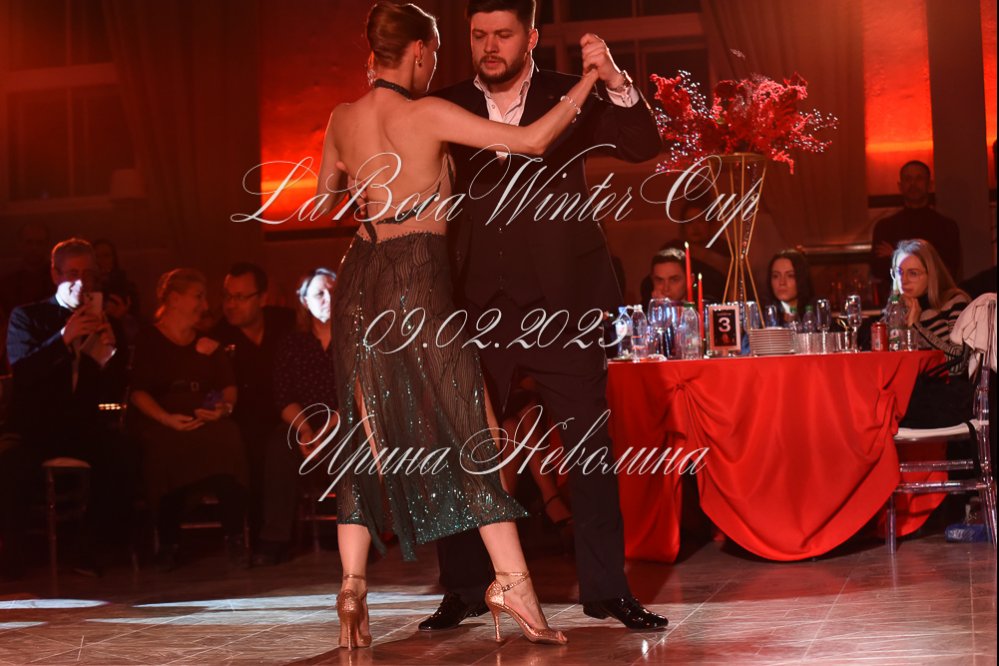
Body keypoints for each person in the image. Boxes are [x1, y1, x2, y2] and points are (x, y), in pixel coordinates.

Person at [315, 1, 600, 648]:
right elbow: (533, 140)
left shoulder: (342, 116)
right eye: (435, 54)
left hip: (359, 273)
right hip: (415, 274)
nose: (433, 66)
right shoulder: (426, 113)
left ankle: (352, 585)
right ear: (418, 51)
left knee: (364, 430)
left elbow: (325, 197)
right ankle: (514, 585)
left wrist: (365, 181)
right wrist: (586, 80)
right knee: (475, 429)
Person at [428, 0, 667, 633]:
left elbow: (644, 145)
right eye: (479, 35)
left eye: (503, 34)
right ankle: (461, 588)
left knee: (588, 449)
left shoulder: (573, 95)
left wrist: (613, 78)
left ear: (531, 36)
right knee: (464, 448)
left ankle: (606, 589)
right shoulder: (447, 104)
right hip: (475, 307)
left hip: (565, 304)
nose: (490, 46)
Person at [5, 238, 131, 575]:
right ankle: (15, 557)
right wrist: (63, 338)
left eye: (88, 275)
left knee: (121, 454)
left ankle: (88, 547)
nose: (81, 283)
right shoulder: (28, 317)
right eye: (72, 274)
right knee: (14, 466)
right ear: (55, 275)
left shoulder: (107, 321)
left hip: (82, 426)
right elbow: (23, 372)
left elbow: (116, 387)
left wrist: (110, 354)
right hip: (36, 427)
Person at [128, 268, 250, 570]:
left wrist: (223, 409)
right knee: (166, 447)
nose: (204, 305)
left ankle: (235, 535)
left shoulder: (208, 343)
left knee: (227, 437)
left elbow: (228, 386)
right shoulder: (148, 340)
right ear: (174, 298)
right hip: (164, 420)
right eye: (198, 296)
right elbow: (138, 392)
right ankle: (168, 541)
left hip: (204, 418)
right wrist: (166, 418)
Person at [255, 268, 338, 566]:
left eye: (332, 291)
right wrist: (304, 430)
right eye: (319, 294)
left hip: (343, 419)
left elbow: (359, 393)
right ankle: (275, 538)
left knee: (354, 443)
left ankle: (357, 533)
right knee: (280, 445)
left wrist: (325, 431)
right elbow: (284, 396)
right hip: (303, 419)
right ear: (304, 301)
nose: (328, 299)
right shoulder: (292, 343)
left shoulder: (353, 338)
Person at [209, 262, 295, 544]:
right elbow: (212, 391)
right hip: (244, 419)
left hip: (289, 412)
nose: (230, 304)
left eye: (240, 297)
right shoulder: (217, 338)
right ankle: (261, 535)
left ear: (262, 298)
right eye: (227, 296)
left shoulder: (286, 324)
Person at [890, 239, 972, 428]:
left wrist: (916, 327)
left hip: (948, 399)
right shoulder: (895, 310)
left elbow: (958, 364)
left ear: (931, 275)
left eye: (913, 273)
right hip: (908, 396)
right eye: (899, 272)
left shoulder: (954, 301)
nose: (904, 280)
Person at [871, 160, 962, 301]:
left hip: (937, 304)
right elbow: (878, 270)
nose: (913, 184)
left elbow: (947, 272)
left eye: (919, 178)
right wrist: (928, 259)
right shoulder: (885, 227)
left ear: (929, 185)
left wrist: (894, 255)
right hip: (896, 303)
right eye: (908, 179)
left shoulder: (946, 226)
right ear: (900, 186)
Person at [765, 249, 815, 324]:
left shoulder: (815, 312)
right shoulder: (762, 314)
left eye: (790, 276)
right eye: (776, 276)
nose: (782, 282)